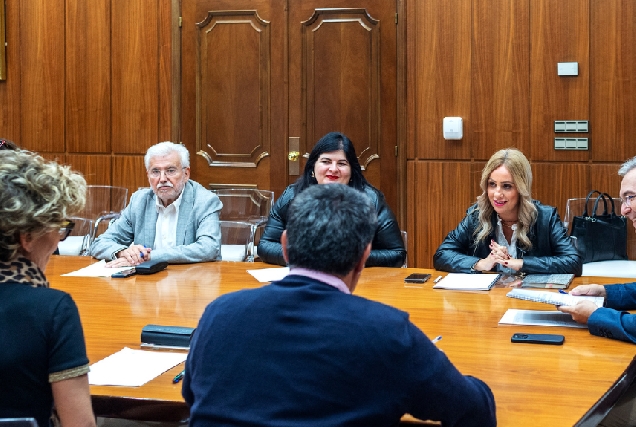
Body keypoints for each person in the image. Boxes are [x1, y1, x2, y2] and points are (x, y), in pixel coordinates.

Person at [182, 184, 496, 427]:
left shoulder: (218, 314)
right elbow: (474, 410)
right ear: (364, 256)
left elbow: (191, 395)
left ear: (285, 247)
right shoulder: (387, 333)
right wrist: (431, 360)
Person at [0, 150, 96, 427]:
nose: (58, 240)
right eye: (59, 227)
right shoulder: (51, 309)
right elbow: (80, 424)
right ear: (27, 237)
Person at [259, 131, 406, 268]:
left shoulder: (371, 200)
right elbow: (266, 245)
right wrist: (305, 257)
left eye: (342, 163)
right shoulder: (292, 196)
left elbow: (396, 253)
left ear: (352, 171)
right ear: (313, 167)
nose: (333, 169)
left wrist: (347, 258)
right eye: (326, 161)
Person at [434, 148, 582, 276]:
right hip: (488, 302)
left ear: (521, 188)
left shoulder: (546, 218)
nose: (497, 194)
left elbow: (573, 262)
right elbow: (442, 255)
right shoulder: (476, 216)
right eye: (492, 184)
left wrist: (521, 263)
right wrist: (480, 264)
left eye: (506, 186)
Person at [90, 141, 223, 265]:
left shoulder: (205, 201)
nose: (163, 179)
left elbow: (209, 248)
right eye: (155, 172)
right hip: (147, 281)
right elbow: (99, 243)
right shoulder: (139, 202)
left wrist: (148, 256)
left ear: (186, 174)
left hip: (194, 281)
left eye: (170, 170)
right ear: (148, 175)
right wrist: (123, 252)